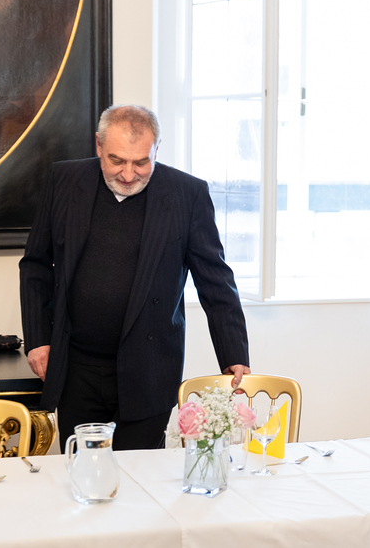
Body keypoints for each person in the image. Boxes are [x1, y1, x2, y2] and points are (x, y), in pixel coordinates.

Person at [19, 105, 250, 450]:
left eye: (141, 162)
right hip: (77, 366)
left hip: (148, 366)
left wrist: (234, 353)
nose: (128, 174)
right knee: (82, 470)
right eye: (117, 161)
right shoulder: (64, 180)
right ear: (98, 145)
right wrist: (38, 339)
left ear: (157, 150)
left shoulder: (187, 194)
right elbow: (36, 264)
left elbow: (215, 279)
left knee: (142, 475)